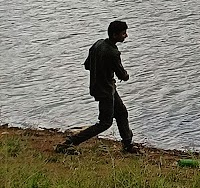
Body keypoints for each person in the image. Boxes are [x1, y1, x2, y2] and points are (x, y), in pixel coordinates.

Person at [55, 20, 140, 154]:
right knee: (105, 123)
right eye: (123, 33)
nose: (126, 36)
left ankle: (128, 144)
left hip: (100, 87)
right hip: (106, 90)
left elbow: (87, 65)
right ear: (114, 35)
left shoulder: (98, 44)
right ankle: (69, 142)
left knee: (121, 112)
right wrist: (126, 76)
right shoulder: (113, 52)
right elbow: (122, 74)